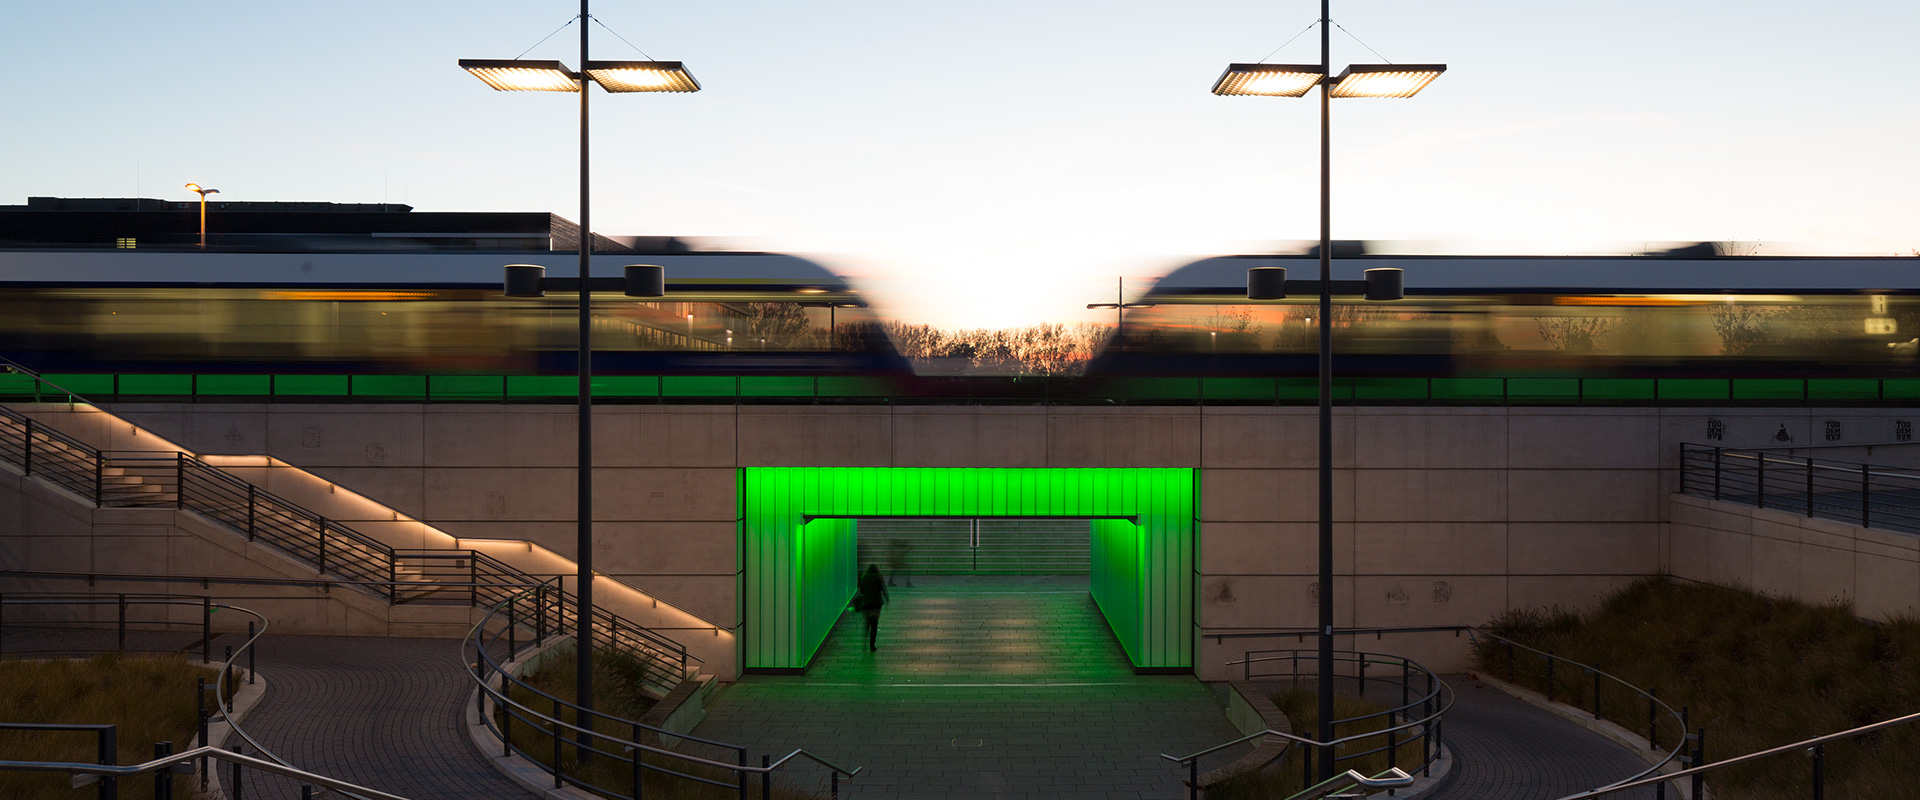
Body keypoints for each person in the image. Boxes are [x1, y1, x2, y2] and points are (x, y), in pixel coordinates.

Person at [852, 564, 889, 652]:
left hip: (866, 605)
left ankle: (864, 641)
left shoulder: (864, 578)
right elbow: (883, 589)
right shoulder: (879, 577)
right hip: (876, 605)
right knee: (874, 625)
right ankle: (872, 645)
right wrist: (887, 599)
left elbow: (861, 590)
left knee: (867, 624)